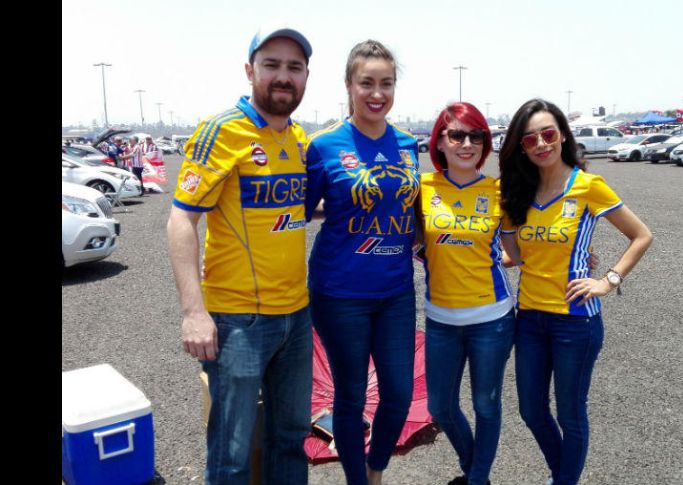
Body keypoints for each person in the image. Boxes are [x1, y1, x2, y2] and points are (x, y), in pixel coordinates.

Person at [166, 26, 313, 485]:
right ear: (250, 71)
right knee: (231, 453)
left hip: (297, 316)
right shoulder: (222, 131)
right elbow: (181, 219)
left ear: (306, 77)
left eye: (294, 67)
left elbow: (303, 208)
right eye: (272, 65)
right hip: (238, 321)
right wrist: (194, 312)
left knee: (291, 440)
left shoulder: (298, 139)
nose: (283, 76)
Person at [498, 98, 653, 485]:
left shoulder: (586, 186)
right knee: (531, 411)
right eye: (529, 139)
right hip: (529, 319)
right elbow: (515, 255)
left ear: (563, 136)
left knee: (570, 414)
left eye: (548, 134)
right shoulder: (519, 192)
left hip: (575, 321)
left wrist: (608, 281)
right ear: (521, 147)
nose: (541, 144)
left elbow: (641, 235)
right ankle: (563, 475)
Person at [304, 39, 420, 485]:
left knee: (399, 394)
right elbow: (297, 213)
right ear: (348, 85)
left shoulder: (408, 145)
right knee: (350, 398)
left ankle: (376, 469)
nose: (377, 93)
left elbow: (419, 214)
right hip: (339, 294)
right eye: (366, 83)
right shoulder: (324, 146)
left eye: (386, 83)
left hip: (396, 291)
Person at [419, 102, 517, 485]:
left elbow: (519, 250)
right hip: (440, 321)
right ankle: (474, 470)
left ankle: (477, 480)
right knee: (440, 406)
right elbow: (400, 235)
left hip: (492, 319)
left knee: (485, 406)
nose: (466, 144)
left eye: (476, 135)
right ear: (439, 142)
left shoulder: (499, 191)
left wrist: (581, 256)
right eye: (456, 135)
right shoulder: (422, 188)